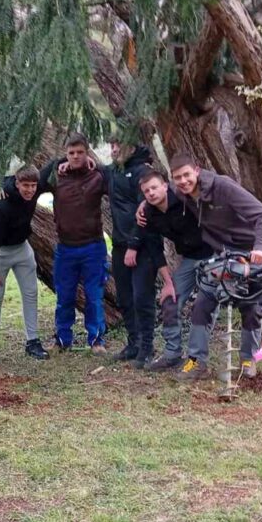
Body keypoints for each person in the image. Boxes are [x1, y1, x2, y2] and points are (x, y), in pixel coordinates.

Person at [159, 153, 262, 380]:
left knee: (251, 307)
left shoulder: (222, 186)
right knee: (202, 303)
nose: (183, 181)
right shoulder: (182, 194)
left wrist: (260, 247)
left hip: (252, 254)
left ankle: (248, 359)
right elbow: (161, 194)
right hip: (223, 255)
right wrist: (144, 204)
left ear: (197, 170)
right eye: (177, 177)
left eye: (186, 175)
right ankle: (196, 362)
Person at [36, 133, 110, 352]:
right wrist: (58, 163)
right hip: (66, 248)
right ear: (65, 154)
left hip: (93, 247)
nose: (76, 157)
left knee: (94, 296)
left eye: (80, 153)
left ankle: (96, 340)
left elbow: (118, 181)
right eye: (71, 153)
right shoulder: (57, 175)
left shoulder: (98, 175)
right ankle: (62, 339)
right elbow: (32, 182)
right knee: (64, 296)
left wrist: (98, 165)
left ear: (87, 153)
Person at [134, 170, 214, 371]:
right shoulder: (148, 214)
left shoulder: (185, 198)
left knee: (202, 308)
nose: (151, 193)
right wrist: (168, 283)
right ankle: (172, 355)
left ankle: (196, 362)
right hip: (189, 259)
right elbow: (154, 249)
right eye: (146, 191)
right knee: (170, 301)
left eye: (154, 187)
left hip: (214, 256)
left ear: (165, 186)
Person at [101, 137, 163, 368]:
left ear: (133, 146)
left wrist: (134, 246)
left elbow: (145, 210)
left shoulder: (142, 173)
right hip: (119, 245)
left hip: (143, 246)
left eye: (119, 145)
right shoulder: (114, 172)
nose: (114, 149)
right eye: (112, 146)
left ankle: (147, 347)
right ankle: (133, 343)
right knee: (125, 297)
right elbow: (91, 170)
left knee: (142, 297)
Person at [0, 165, 50, 362]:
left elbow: (50, 167)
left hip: (22, 249)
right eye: (25, 185)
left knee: (30, 293)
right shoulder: (1, 208)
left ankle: (32, 341)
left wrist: (62, 162)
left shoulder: (35, 189)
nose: (30, 189)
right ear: (17, 183)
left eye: (33, 185)